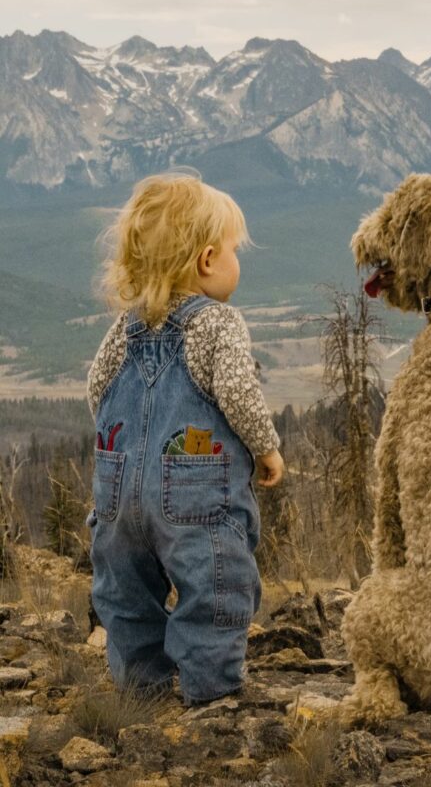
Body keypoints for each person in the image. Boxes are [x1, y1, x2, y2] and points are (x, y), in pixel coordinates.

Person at [86, 171, 285, 705]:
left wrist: (123, 457)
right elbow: (239, 394)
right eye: (233, 253)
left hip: (118, 491)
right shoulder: (217, 324)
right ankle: (211, 693)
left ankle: (140, 690)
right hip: (194, 493)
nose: (236, 264)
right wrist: (266, 448)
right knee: (214, 585)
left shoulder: (125, 327)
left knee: (125, 591)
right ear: (206, 260)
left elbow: (97, 393)